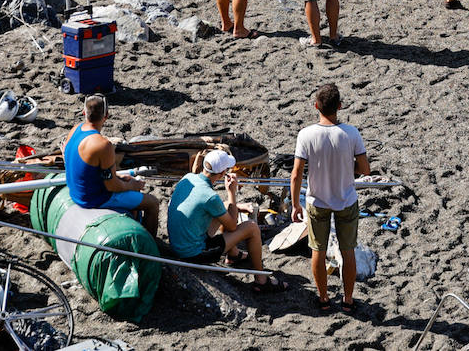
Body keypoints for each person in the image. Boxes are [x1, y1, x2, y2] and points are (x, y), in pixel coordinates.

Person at [289, 83, 369, 314]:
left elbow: (296, 174)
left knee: (318, 250)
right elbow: (365, 169)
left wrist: (295, 204)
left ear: (316, 106)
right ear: (340, 106)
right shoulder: (351, 133)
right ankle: (348, 299)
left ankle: (323, 299)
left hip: (317, 200)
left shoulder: (306, 134)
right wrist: (348, 167)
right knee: (348, 251)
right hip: (346, 199)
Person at [167, 149, 283, 293]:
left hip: (178, 245)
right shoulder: (210, 197)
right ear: (222, 173)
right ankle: (261, 280)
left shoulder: (188, 178)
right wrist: (232, 193)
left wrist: (234, 206)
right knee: (251, 227)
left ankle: (233, 255)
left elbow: (211, 206)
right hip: (193, 254)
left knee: (223, 209)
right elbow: (232, 225)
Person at [62, 95, 159, 223]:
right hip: (93, 199)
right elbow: (111, 185)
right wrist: (132, 185)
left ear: (84, 112)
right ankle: (150, 242)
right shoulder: (103, 145)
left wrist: (126, 180)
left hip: (76, 193)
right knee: (152, 203)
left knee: (130, 182)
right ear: (106, 115)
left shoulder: (75, 129)